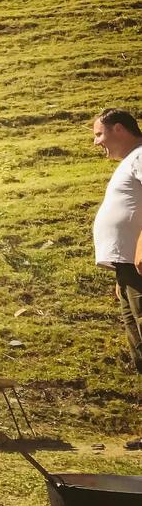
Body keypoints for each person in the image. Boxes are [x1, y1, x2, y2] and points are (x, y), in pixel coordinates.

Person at [91, 107, 142, 450]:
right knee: (139, 347)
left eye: (100, 134)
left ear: (120, 129)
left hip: (139, 265)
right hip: (127, 270)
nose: (97, 142)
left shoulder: (140, 155)